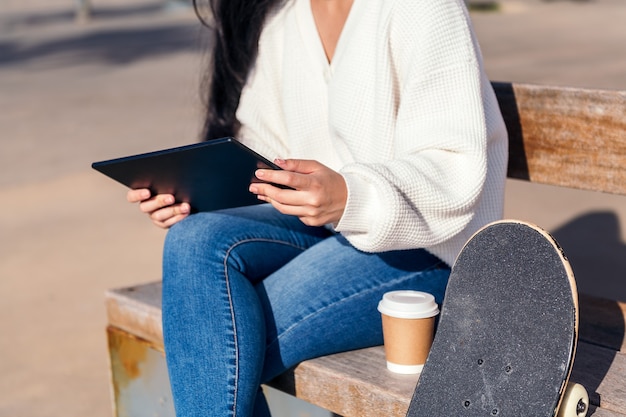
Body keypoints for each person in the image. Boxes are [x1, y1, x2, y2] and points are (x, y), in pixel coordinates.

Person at [127, 0, 508, 415]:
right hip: (324, 229)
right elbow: (264, 153)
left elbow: (454, 165)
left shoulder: (422, 8)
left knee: (219, 340)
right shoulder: (284, 19)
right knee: (191, 239)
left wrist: (349, 195)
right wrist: (198, 199)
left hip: (430, 249)